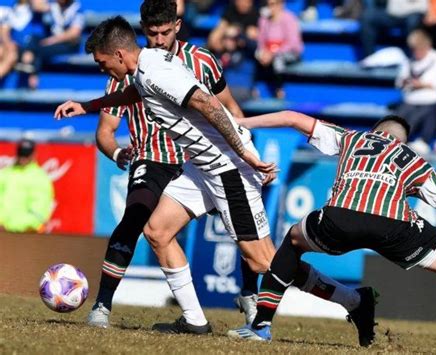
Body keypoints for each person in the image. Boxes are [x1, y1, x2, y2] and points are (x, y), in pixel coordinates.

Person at [55, 16, 376, 340]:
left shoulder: (156, 70)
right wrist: (89, 106)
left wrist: (244, 152)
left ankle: (354, 300)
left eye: (102, 62)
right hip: (203, 167)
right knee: (157, 230)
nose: (101, 69)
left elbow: (206, 102)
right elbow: (136, 93)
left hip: (228, 168)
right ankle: (194, 320)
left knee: (264, 260)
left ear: (120, 55)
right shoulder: (146, 63)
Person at [228, 112, 436, 346]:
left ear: (375, 131)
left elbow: (292, 118)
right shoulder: (415, 161)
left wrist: (240, 121)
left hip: (340, 220)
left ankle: (260, 327)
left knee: (293, 241)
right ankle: (357, 302)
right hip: (395, 228)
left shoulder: (351, 137)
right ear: (403, 142)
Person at [87, 0, 248, 331]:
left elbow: (230, 108)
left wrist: (244, 151)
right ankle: (102, 305)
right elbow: (105, 132)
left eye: (163, 32)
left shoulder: (202, 61)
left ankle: (250, 292)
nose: (158, 40)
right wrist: (119, 154)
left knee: (242, 228)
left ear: (176, 25)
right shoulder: (125, 67)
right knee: (136, 218)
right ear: (142, 31)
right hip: (154, 159)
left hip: (203, 160)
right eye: (151, 33)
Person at [395, 29, 436, 155]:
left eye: (419, 49)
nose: (416, 53)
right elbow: (399, 82)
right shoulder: (409, 61)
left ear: (427, 46)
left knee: (416, 118)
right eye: (414, 49)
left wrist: (421, 84)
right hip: (410, 99)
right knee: (396, 120)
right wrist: (406, 82)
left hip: (431, 100)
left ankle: (424, 141)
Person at [19, 0, 84, 89]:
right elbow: (36, 5)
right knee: (33, 39)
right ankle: (28, 59)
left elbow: (74, 33)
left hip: (68, 45)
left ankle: (33, 73)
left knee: (41, 49)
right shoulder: (53, 5)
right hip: (51, 41)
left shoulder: (77, 9)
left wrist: (53, 40)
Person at [0, 138, 54, 233]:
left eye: (26, 155)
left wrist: (13, 227)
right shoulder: (5, 173)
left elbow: (39, 211)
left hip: (25, 234)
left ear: (34, 155)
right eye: (21, 154)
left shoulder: (39, 177)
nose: (23, 158)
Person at [254, 0, 303, 99]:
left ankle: (279, 90)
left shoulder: (289, 18)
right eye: (268, 4)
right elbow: (261, 41)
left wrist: (273, 53)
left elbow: (292, 43)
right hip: (269, 51)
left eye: (274, 4)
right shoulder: (264, 20)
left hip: (289, 53)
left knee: (278, 60)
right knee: (253, 56)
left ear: (281, 4)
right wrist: (263, 52)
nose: (271, 7)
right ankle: (253, 89)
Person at [359, 0, 426, 59]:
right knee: (367, 16)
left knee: (413, 22)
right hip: (392, 13)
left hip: (415, 12)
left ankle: (413, 60)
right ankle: (370, 59)